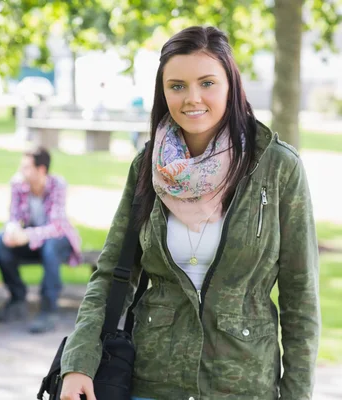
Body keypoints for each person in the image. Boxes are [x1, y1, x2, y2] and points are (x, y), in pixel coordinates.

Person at [60, 26, 320, 400]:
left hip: (243, 383)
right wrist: (79, 362)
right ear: (162, 92)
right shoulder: (147, 166)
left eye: (207, 83)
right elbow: (111, 273)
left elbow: (301, 296)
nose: (192, 98)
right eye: (177, 85)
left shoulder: (277, 167)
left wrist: (297, 394)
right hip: (152, 380)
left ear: (230, 85)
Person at [0, 146, 82, 334]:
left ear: (41, 169)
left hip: (57, 238)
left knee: (51, 249)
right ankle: (17, 297)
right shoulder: (18, 184)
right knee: (0, 242)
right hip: (30, 238)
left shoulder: (57, 185)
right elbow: (13, 216)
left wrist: (27, 235)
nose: (21, 171)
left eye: (26, 167)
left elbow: (56, 226)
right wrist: (12, 231)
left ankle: (48, 309)